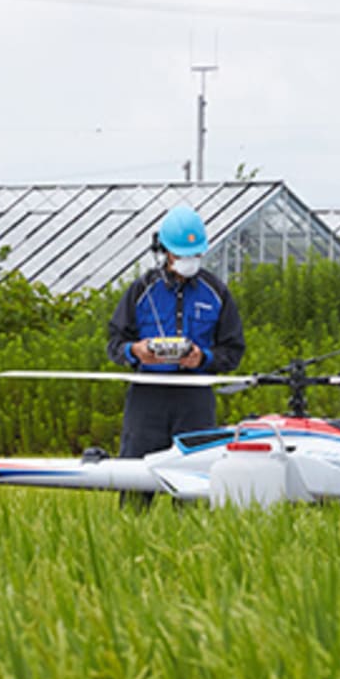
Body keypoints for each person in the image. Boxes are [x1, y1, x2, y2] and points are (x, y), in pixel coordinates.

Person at [106, 205, 245, 504]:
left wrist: (203, 358)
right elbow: (114, 342)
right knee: (135, 483)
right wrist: (136, 352)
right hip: (148, 398)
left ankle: (192, 545)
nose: (189, 261)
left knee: (195, 488)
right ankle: (129, 540)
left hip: (195, 398)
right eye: (182, 254)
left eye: (194, 254)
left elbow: (233, 351)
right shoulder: (141, 290)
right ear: (165, 251)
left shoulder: (217, 293)